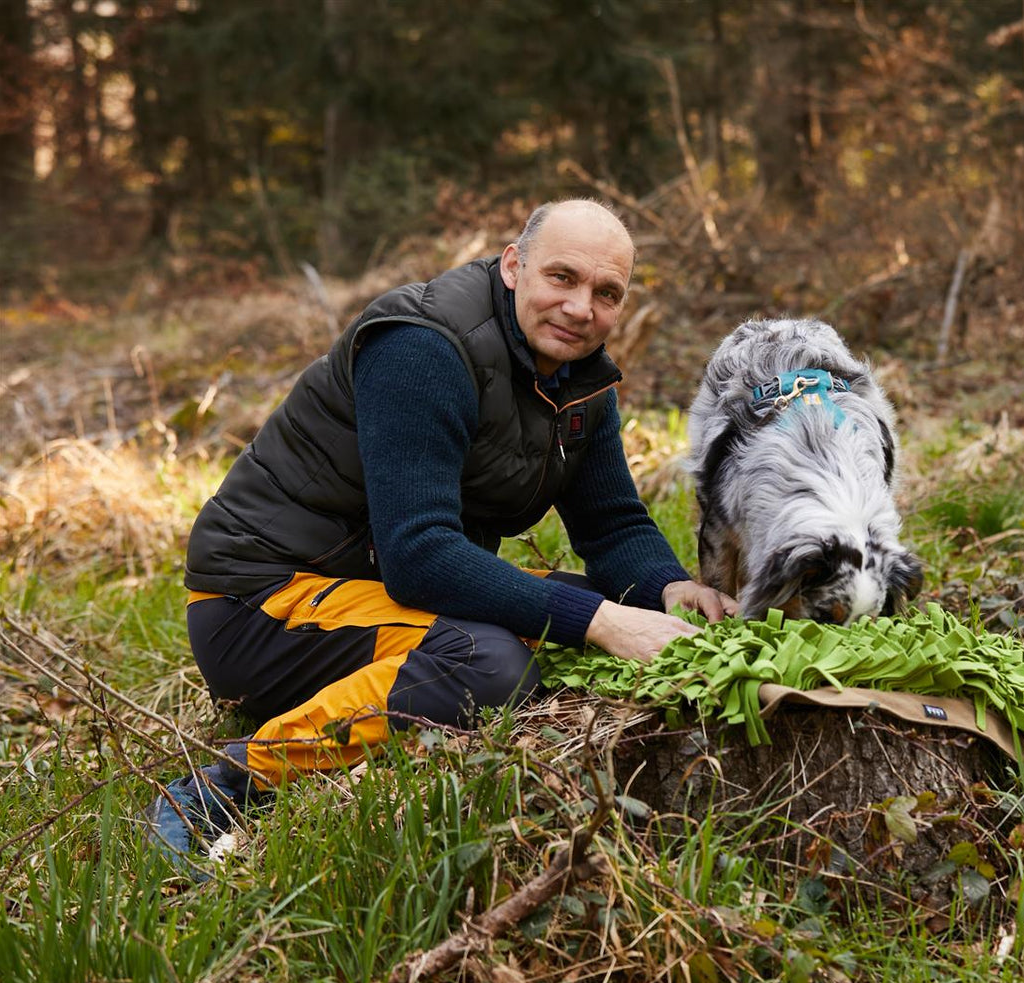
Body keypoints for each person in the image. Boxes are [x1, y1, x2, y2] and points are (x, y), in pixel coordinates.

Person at [145, 199, 737, 873]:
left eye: (607, 293)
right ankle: (219, 788)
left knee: (593, 611)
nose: (581, 308)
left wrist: (667, 588)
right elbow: (420, 555)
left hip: (372, 594)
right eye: (562, 278)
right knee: (488, 660)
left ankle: (407, 697)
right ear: (514, 266)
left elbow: (612, 521)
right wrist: (604, 622)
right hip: (259, 602)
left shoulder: (580, 379)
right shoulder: (424, 346)